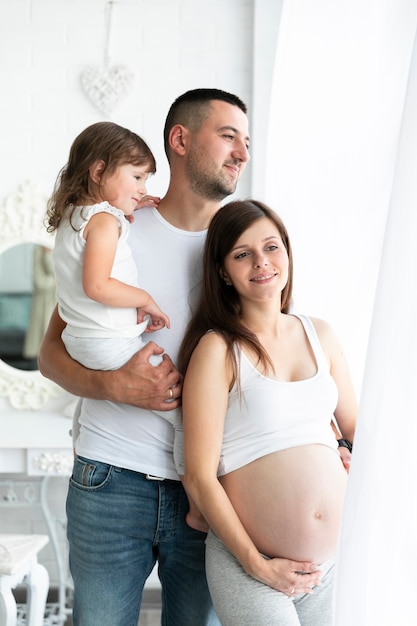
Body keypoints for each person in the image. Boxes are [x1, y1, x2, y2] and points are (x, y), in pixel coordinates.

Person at [38, 89, 319, 626]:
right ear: (181, 140)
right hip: (109, 479)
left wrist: (338, 439)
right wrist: (113, 387)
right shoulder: (116, 225)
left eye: (247, 142)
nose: (242, 153)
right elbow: (51, 352)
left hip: (216, 492)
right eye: (228, 136)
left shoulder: (244, 248)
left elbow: (282, 356)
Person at [179, 199, 357, 625]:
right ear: (224, 271)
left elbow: (359, 430)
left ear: (288, 253)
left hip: (332, 564)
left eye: (272, 247)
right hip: (251, 565)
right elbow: (199, 475)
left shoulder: (321, 335)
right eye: (242, 254)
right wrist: (256, 565)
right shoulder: (218, 349)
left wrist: (345, 451)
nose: (262, 262)